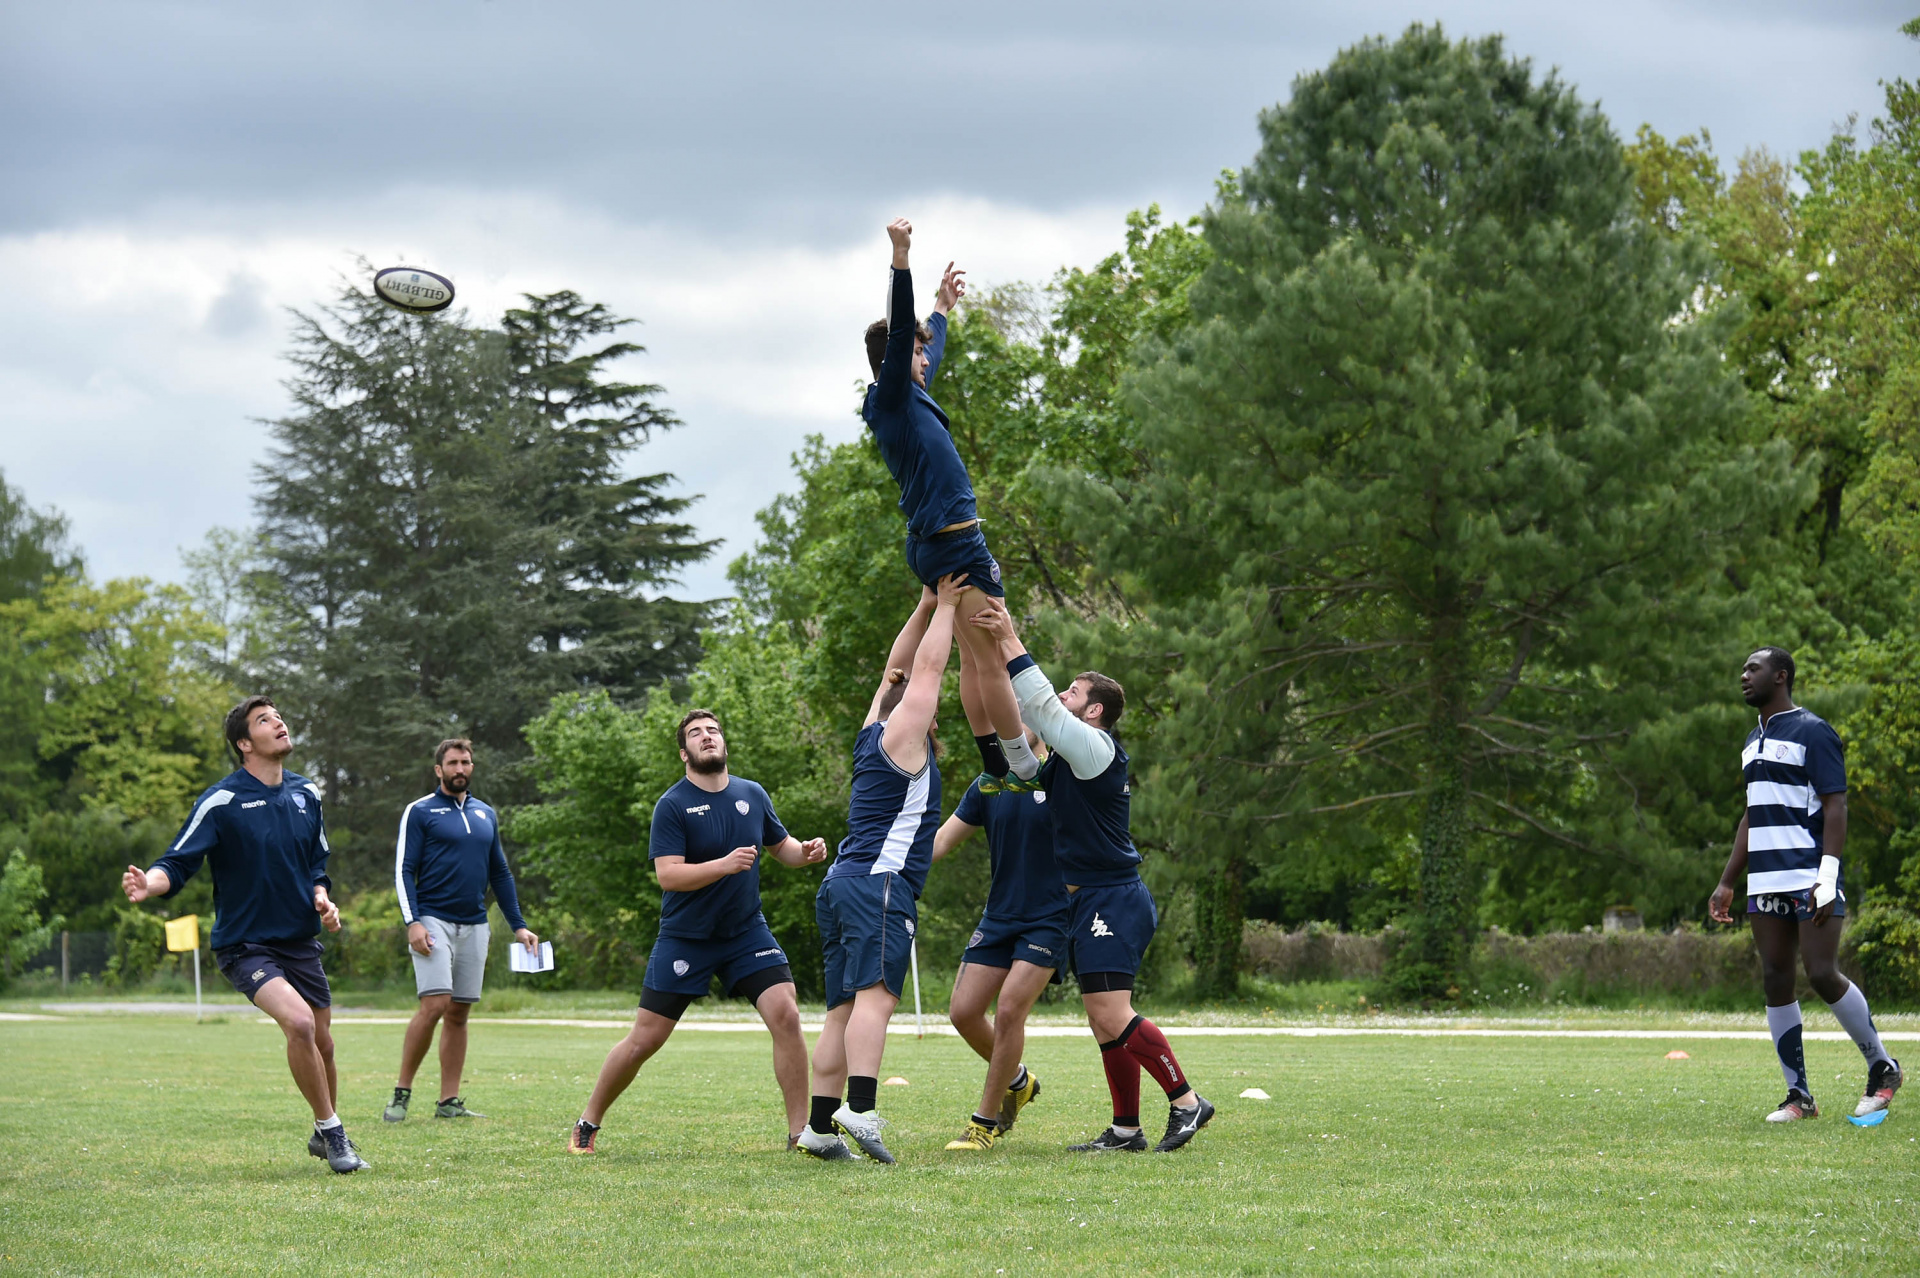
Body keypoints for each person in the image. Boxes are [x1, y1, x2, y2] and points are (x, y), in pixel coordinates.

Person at [969, 599, 1214, 1153]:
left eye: (1073, 693)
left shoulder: (1097, 749)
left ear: (1095, 712)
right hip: (1091, 900)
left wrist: (1010, 638)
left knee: (1111, 1012)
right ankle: (1126, 1131)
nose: (1062, 698)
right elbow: (1023, 728)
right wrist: (983, 656)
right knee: (1103, 1022)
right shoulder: (1064, 762)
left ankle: (1187, 1101)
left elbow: (1041, 711)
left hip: (1113, 897)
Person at [121, 695, 370, 1174]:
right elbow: (177, 861)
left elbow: (317, 863)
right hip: (245, 944)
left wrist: (322, 896)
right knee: (298, 1024)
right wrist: (149, 884)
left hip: (299, 939)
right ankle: (335, 1133)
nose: (278, 722)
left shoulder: (308, 794)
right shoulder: (222, 801)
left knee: (323, 1043)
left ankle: (323, 1134)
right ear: (243, 743)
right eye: (264, 720)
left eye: (278, 715)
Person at [568, 709, 828, 1154]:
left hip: (747, 932)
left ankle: (799, 1134)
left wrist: (805, 853)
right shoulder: (672, 804)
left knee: (786, 1014)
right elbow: (668, 876)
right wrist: (724, 865)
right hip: (686, 938)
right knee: (645, 1039)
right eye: (695, 733)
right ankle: (587, 1122)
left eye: (713, 731)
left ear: (724, 743)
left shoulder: (753, 793)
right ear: (684, 753)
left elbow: (780, 847)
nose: (706, 737)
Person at [862, 216, 1038, 787]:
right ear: (893, 359)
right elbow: (903, 345)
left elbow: (925, 358)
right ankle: (1021, 764)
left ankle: (994, 757)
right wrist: (902, 258)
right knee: (993, 660)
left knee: (971, 653)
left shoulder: (908, 397)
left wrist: (942, 310)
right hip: (954, 541)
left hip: (939, 541)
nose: (924, 358)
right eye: (915, 350)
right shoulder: (891, 396)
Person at [797, 575, 966, 1163]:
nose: (931, 710)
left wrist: (921, 604)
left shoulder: (873, 730)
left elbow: (894, 674)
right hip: (879, 886)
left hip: (843, 883)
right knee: (877, 1000)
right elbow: (924, 672)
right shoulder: (903, 740)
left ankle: (818, 1130)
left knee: (842, 1010)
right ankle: (861, 1110)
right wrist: (945, 607)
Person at [1709, 646, 1902, 1122]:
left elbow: (1836, 806)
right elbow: (1753, 816)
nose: (1743, 675)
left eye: (1752, 668)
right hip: (1766, 881)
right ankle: (1799, 1096)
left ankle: (1883, 1067)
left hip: (1810, 876)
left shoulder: (1814, 731)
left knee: (1820, 972)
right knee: (1776, 978)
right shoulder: (1750, 743)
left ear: (1781, 676)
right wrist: (1727, 881)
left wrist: (1827, 876)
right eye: (1744, 667)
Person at [928, 718, 1066, 1152]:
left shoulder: (1062, 775)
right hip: (1000, 915)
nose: (1013, 722)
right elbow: (939, 844)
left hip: (1051, 915)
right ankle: (1020, 1081)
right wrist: (884, 853)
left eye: (1023, 714)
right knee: (964, 1013)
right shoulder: (989, 782)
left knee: (1009, 1010)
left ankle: (983, 1123)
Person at [385, 738, 540, 1123]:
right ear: (439, 770)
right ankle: (401, 1092)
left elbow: (500, 873)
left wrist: (519, 926)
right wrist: (413, 922)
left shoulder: (486, 814)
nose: (460, 768)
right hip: (432, 919)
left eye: (465, 762)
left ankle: (448, 1101)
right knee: (435, 1004)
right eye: (452, 762)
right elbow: (404, 870)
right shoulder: (420, 811)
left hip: (475, 923)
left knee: (458, 1013)